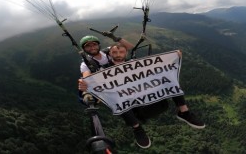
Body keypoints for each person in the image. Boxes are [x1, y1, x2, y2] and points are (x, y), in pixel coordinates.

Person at [78, 35, 206, 149]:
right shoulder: (88, 64)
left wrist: (173, 57)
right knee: (118, 100)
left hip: (142, 89)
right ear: (110, 55)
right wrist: (85, 85)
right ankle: (137, 128)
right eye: (88, 46)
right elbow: (87, 77)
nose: (118, 54)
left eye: (94, 44)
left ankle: (184, 112)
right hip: (125, 94)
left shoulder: (127, 60)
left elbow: (145, 59)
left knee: (168, 79)